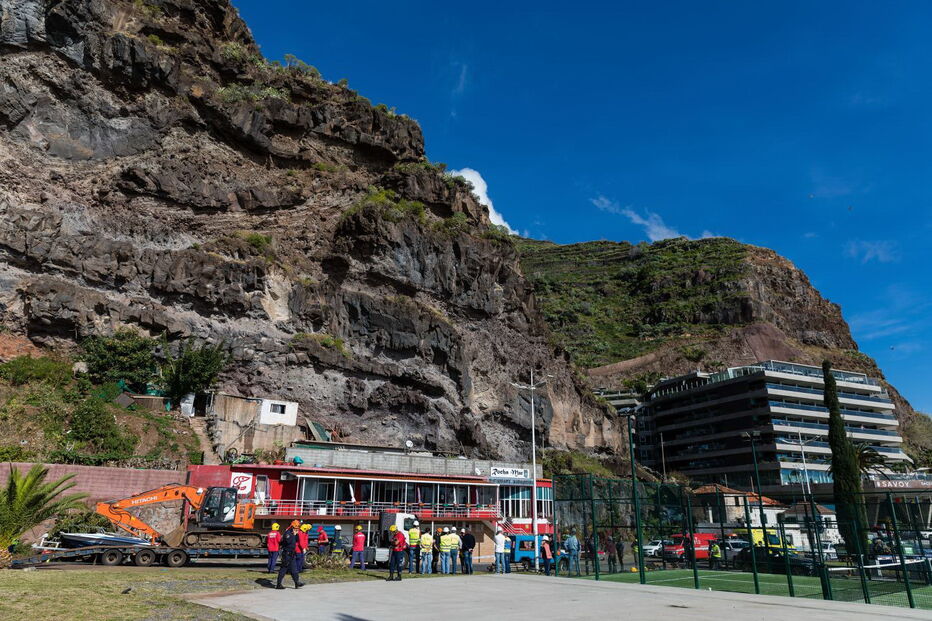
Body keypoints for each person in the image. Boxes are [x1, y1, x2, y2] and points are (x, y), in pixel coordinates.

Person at [276, 521, 304, 589]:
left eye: (297, 528)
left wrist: (296, 534)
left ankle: (297, 583)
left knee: (294, 569)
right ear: (292, 527)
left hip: (292, 554)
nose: (296, 529)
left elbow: (297, 540)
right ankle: (278, 584)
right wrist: (293, 535)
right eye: (295, 528)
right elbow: (288, 542)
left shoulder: (294, 533)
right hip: (287, 554)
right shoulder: (287, 533)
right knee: (283, 569)